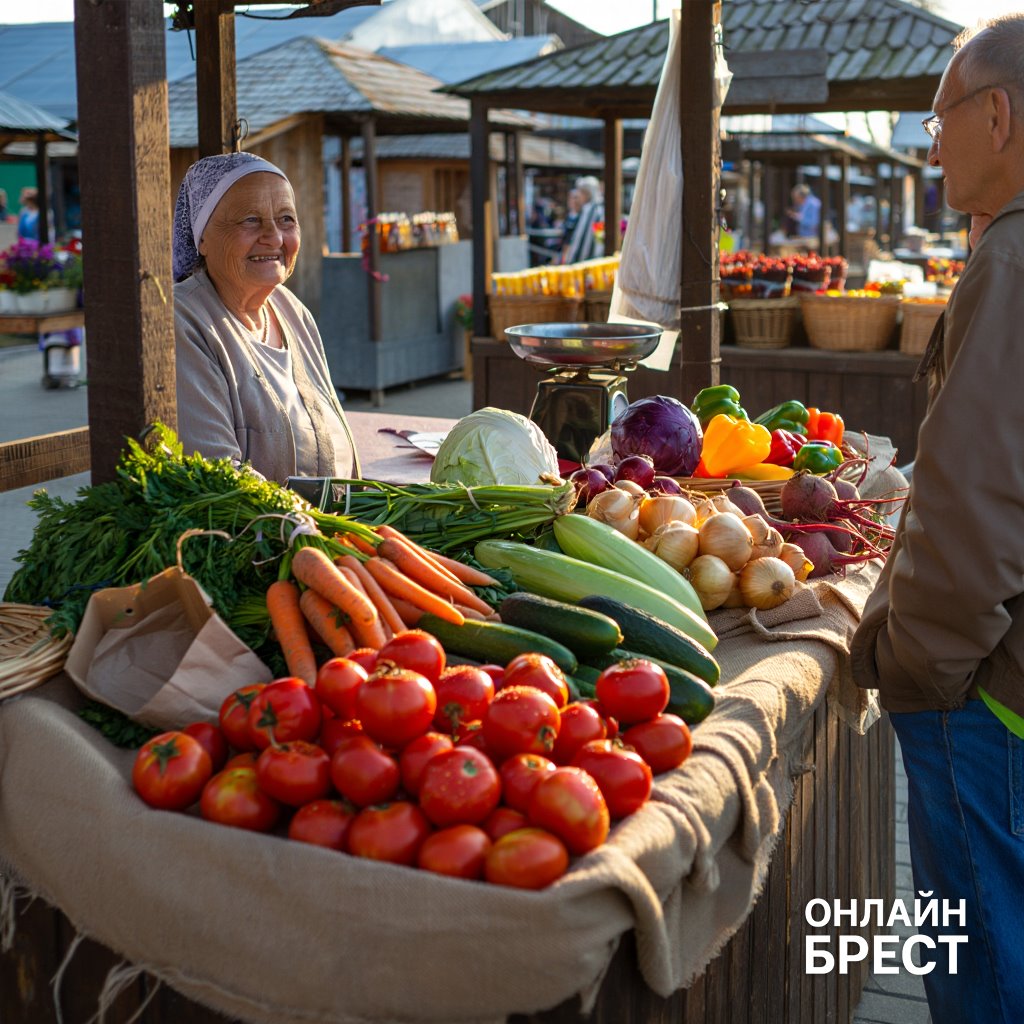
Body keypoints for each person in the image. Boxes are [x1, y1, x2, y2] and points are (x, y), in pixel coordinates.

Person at [851, 15, 1024, 1023]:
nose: (931, 140)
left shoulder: (1007, 262)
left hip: (986, 695)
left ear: (995, 115)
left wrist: (920, 670)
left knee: (987, 971)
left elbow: (971, 511)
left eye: (938, 115)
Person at [173, 152, 359, 484]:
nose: (274, 237)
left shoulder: (291, 310)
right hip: (254, 532)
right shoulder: (183, 322)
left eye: (286, 219)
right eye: (250, 220)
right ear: (202, 238)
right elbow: (216, 477)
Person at [562, 176, 604, 264]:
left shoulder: (594, 211)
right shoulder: (589, 210)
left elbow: (598, 241)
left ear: (587, 193)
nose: (578, 195)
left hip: (588, 263)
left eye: (581, 192)